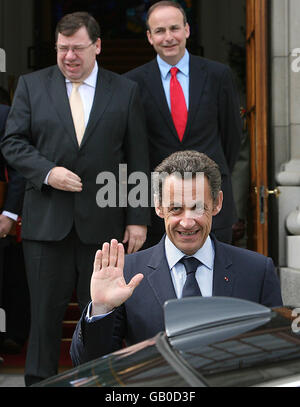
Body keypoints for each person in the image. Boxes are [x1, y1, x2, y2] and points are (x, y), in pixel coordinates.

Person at [1, 12, 150, 385]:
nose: (69, 56)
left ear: (97, 46)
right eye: (62, 49)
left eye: (77, 48)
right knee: (44, 317)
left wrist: (137, 217)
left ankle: (100, 384)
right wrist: (47, 172)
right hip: (45, 226)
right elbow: (12, 143)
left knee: (101, 315)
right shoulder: (32, 86)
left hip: (105, 226)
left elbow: (137, 158)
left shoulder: (125, 90)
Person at [70, 150, 283, 366]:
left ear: (217, 203)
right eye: (176, 209)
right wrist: (101, 309)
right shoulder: (128, 273)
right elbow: (88, 363)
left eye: (197, 207)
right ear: (159, 207)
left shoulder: (257, 271)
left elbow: (278, 356)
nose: (187, 222)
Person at [125, 1, 242, 246]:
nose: (168, 37)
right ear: (149, 36)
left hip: (211, 207)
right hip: (162, 210)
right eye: (160, 31)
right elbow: (133, 148)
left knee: (219, 278)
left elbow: (232, 139)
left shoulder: (218, 75)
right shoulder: (132, 84)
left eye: (174, 28)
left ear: (187, 30)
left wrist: (213, 176)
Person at [0, 103, 27, 361]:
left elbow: (18, 167)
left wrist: (9, 213)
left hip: (3, 217)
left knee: (10, 279)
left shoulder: (4, 114)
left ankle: (13, 334)